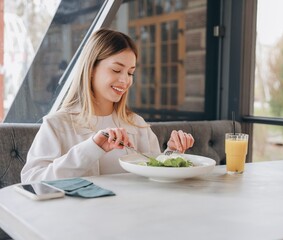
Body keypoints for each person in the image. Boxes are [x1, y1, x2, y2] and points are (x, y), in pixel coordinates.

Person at [21, 29, 194, 183]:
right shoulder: (56, 124)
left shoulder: (137, 124)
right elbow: (31, 180)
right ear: (91, 70)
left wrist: (172, 153)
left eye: (130, 72)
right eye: (116, 70)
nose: (125, 80)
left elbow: (153, 176)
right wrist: (92, 147)